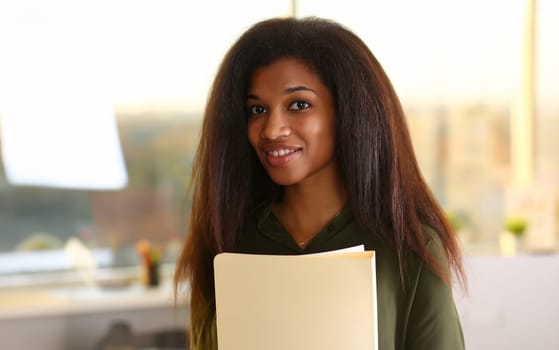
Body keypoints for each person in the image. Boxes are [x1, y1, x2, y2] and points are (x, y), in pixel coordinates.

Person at [175, 16, 466, 350]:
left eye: (299, 105)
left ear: (348, 111)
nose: (272, 129)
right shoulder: (228, 239)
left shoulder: (408, 248)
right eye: (257, 110)